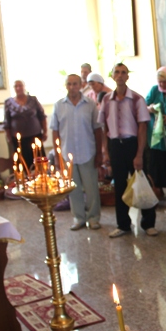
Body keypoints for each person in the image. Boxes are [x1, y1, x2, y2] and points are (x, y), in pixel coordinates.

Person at [98, 63, 156, 238]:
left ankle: (148, 224)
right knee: (120, 186)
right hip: (116, 146)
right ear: (113, 76)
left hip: (133, 145)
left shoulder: (137, 99)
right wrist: (106, 152)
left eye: (123, 73)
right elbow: (103, 128)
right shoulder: (107, 100)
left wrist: (139, 154)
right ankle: (123, 224)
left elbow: (142, 128)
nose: (120, 75)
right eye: (117, 72)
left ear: (127, 77)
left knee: (142, 184)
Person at [51, 74, 104, 231]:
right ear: (65, 86)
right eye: (69, 84)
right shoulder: (59, 105)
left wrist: (100, 153)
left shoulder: (90, 104)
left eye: (75, 84)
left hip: (88, 152)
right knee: (73, 188)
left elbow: (97, 129)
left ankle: (93, 218)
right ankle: (78, 217)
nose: (72, 87)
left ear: (81, 85)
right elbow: (55, 131)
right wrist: (57, 154)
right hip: (68, 154)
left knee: (91, 188)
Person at [3, 80, 47, 168]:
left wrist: (45, 132)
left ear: (24, 86)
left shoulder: (33, 99)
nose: (18, 88)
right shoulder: (8, 102)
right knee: (23, 163)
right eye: (16, 86)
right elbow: (7, 122)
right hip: (19, 140)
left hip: (35, 136)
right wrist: (8, 137)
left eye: (20, 85)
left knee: (38, 162)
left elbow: (42, 116)